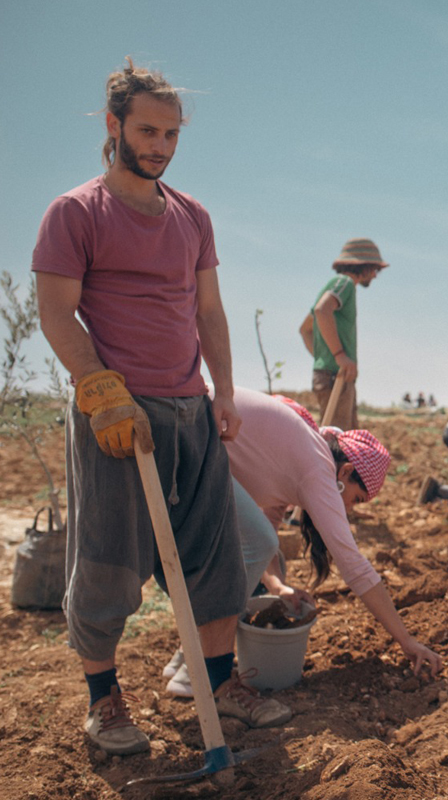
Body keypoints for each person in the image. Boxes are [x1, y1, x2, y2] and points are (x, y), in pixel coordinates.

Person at [32, 59, 288, 756]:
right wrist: (102, 390)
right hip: (118, 415)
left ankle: (219, 684)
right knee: (110, 562)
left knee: (215, 560)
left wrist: (225, 391)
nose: (161, 146)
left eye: (172, 134)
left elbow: (208, 309)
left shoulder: (192, 216)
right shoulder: (76, 213)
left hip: (190, 409)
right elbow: (56, 314)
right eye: (148, 130)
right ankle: (105, 703)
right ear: (113, 125)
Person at [162, 387, 443, 695]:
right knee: (255, 545)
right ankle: (198, 666)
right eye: (356, 499)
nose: (348, 509)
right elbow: (355, 568)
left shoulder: (301, 454)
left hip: (192, 442)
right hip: (185, 439)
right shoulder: (317, 467)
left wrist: (278, 586)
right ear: (346, 471)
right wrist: (406, 640)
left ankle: (184, 655)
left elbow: (264, 530)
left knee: (253, 545)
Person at [299, 238, 388, 429]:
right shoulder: (344, 282)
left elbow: (305, 329)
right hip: (334, 376)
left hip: (332, 374)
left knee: (346, 442)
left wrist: (323, 357)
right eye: (374, 269)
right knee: (338, 447)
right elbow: (322, 311)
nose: (374, 275)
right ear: (362, 266)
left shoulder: (334, 286)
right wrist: (338, 356)